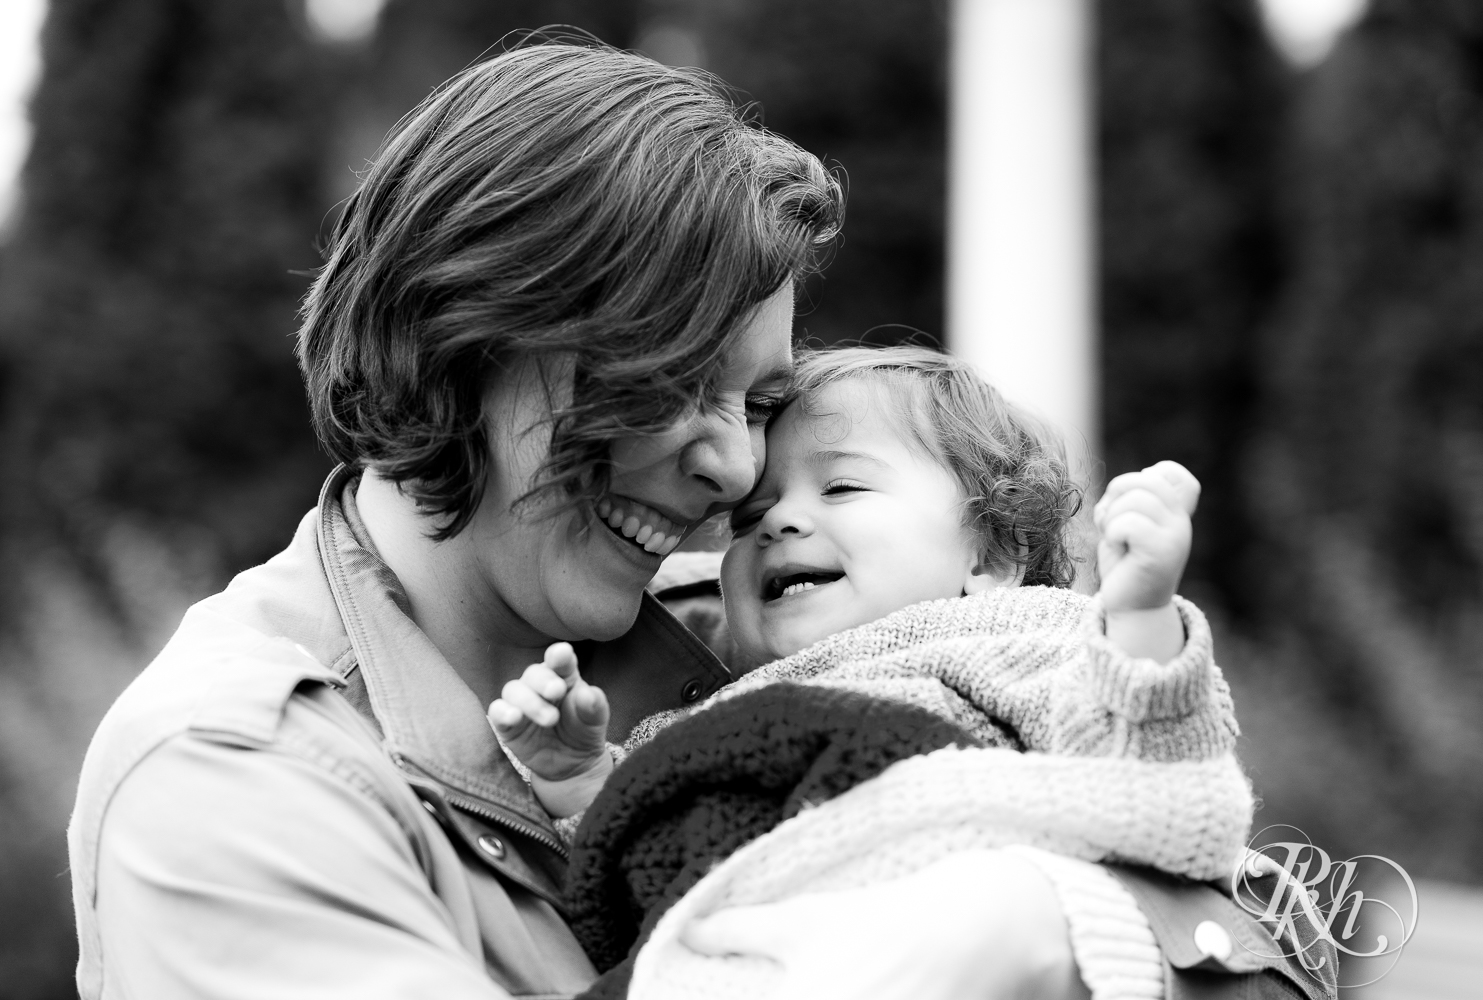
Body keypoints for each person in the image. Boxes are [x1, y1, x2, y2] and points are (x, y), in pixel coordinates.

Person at [66, 40, 1333, 1000]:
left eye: (761, 397)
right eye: (668, 380)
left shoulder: (766, 637)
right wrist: (1023, 935)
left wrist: (1070, 924)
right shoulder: (233, 783)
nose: (735, 468)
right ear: (462, 340)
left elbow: (1202, 858)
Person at [492, 347, 1254, 1000]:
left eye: (842, 487)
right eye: (750, 519)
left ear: (987, 557)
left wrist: (1141, 618)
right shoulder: (718, 709)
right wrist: (586, 779)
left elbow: (1145, 768)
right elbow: (644, 848)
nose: (781, 523)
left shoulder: (1012, 639)